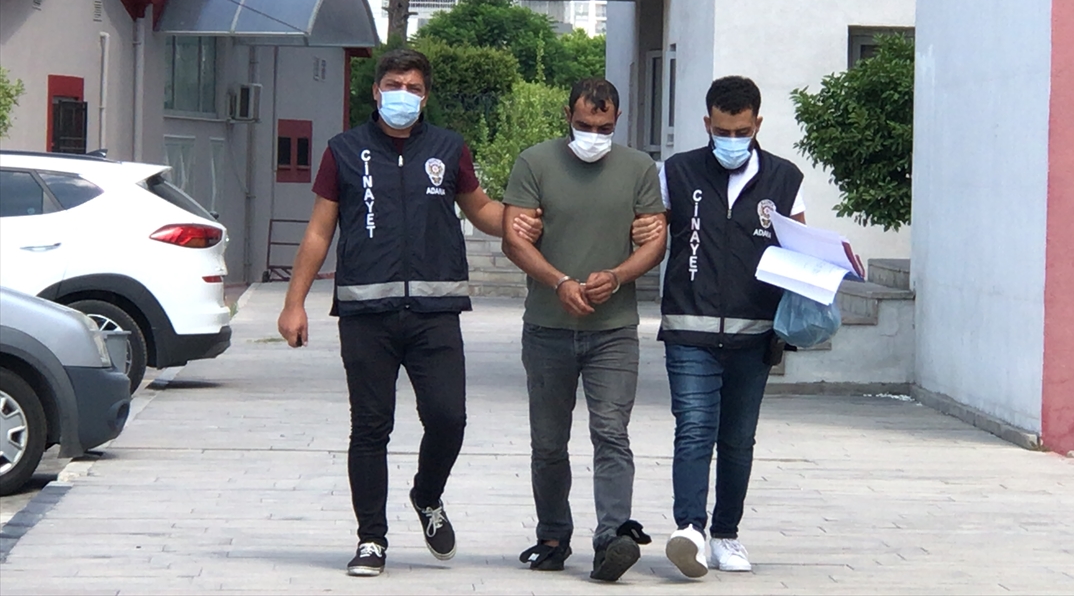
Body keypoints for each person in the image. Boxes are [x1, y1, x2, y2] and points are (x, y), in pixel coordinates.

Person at [275, 49, 551, 577]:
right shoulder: (344, 151)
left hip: (434, 312)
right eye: (395, 85)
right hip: (366, 314)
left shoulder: (448, 148)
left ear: (425, 97)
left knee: (448, 418)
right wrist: (294, 304)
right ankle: (371, 539)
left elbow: (481, 209)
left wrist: (520, 221)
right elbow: (318, 231)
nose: (404, 95)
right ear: (377, 91)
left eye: (415, 87)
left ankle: (427, 495)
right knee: (370, 428)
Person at [501, 78, 668, 582]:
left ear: (618, 121)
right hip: (547, 326)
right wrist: (559, 282)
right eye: (584, 125)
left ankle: (612, 538)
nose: (593, 135)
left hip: (613, 329)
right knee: (548, 440)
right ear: (567, 116)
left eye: (604, 127)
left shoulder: (639, 169)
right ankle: (552, 535)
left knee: (611, 432)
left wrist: (617, 276)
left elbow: (654, 240)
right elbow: (513, 238)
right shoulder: (535, 162)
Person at [658, 76, 805, 578]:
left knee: (738, 440)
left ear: (757, 123)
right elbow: (651, 233)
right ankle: (690, 531)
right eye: (722, 131)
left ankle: (726, 534)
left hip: (755, 333)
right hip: (689, 328)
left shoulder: (785, 178)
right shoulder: (677, 172)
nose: (732, 140)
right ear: (707, 123)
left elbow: (801, 250)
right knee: (694, 429)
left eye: (742, 131)